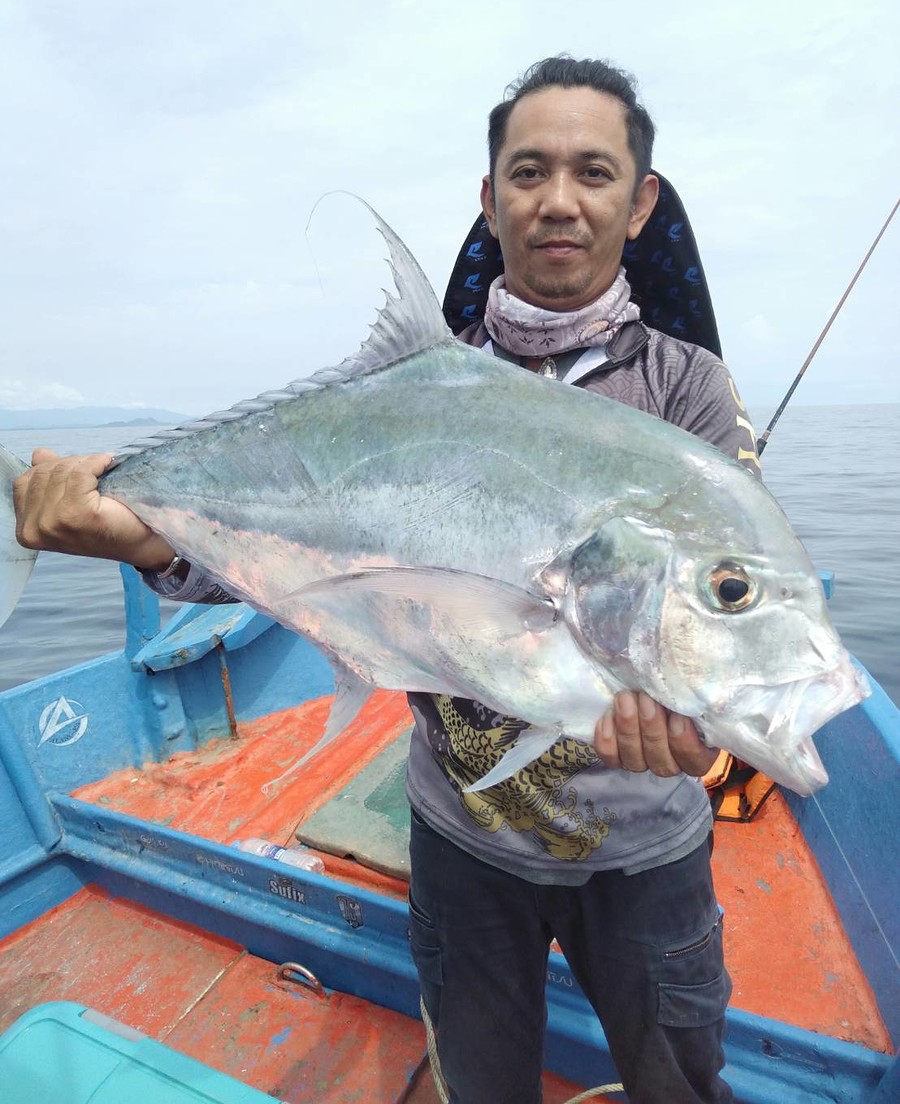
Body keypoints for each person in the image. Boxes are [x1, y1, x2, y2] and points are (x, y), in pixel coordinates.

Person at [14, 57, 760, 1104]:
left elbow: (723, 619)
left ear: (639, 203)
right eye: (529, 170)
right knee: (480, 1081)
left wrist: (706, 730)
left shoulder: (689, 393)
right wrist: (139, 537)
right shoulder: (416, 389)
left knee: (680, 1082)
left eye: (594, 173)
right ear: (488, 195)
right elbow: (302, 548)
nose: (558, 200)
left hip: (643, 856)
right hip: (463, 840)